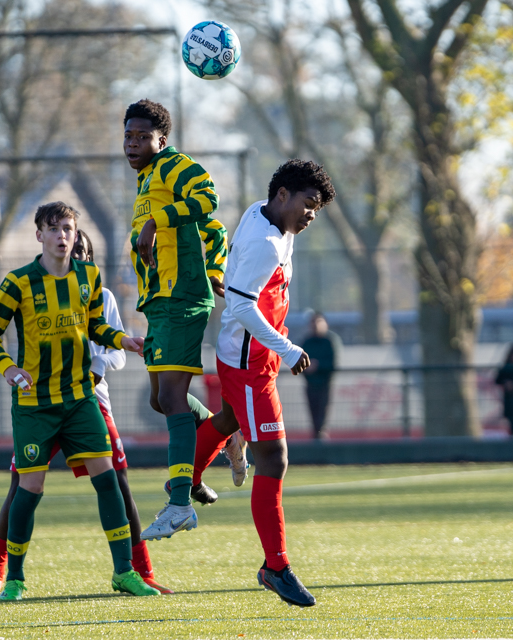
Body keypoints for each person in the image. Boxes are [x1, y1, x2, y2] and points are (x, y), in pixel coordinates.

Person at [0, 230, 173, 599]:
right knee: (21, 485)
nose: (73, 253)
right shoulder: (28, 284)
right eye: (67, 244)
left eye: (81, 249)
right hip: (41, 402)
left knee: (118, 483)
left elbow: (113, 348)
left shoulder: (99, 292)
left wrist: (92, 367)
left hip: (90, 400)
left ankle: (138, 570)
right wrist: (12, 369)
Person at [176, 158, 336, 606]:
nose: (311, 215)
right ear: (281, 194)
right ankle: (276, 566)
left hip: (250, 360)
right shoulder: (268, 240)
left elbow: (242, 280)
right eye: (308, 204)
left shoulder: (260, 214)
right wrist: (287, 349)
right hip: (250, 365)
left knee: (228, 419)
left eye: (317, 209)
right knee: (275, 458)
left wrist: (230, 280)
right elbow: (243, 309)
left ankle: (184, 478)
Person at [122, 99, 230, 541]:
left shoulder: (173, 166)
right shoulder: (148, 179)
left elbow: (211, 204)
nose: (132, 144)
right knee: (160, 401)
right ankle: (224, 436)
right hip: (158, 302)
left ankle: (181, 501)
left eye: (142, 136)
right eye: (128, 136)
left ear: (161, 140)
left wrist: (157, 226)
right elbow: (210, 230)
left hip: (183, 297)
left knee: (171, 398)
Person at [300, 312, 340, 440]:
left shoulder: (330, 341)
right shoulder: (306, 342)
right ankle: (316, 436)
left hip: (324, 384)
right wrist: (307, 368)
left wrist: (318, 366)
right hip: (310, 384)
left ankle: (321, 435)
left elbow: (332, 364)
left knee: (322, 413)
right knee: (313, 413)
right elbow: (298, 362)